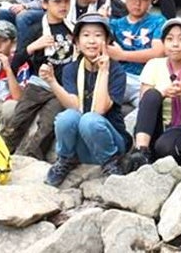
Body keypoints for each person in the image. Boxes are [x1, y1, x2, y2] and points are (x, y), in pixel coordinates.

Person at [42, 13, 130, 185]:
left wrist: (103, 71)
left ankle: (111, 164)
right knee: (66, 117)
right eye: (86, 35)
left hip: (110, 142)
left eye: (98, 35)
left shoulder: (116, 71)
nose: (91, 41)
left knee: (90, 120)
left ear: (107, 42)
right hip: (82, 145)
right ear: (76, 42)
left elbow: (99, 110)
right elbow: (74, 105)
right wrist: (52, 81)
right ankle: (65, 159)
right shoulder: (71, 69)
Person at [114, 17, 181, 174]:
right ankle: (141, 150)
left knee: (166, 149)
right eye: (169, 39)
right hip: (155, 128)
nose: (175, 44)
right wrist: (163, 93)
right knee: (153, 94)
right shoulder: (154, 65)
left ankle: (161, 154)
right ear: (163, 43)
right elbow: (145, 103)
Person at [5, 0, 75, 158]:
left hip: (61, 88)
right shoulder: (36, 29)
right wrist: (34, 45)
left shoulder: (73, 29)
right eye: (57, 1)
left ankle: (31, 159)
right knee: (18, 120)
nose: (63, 6)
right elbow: (16, 62)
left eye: (66, 1)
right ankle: (1, 153)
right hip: (38, 84)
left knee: (48, 125)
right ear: (45, 3)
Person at [109, 0, 166, 104]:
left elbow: (158, 53)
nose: (137, 3)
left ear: (151, 1)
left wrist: (122, 55)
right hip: (119, 77)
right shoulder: (114, 24)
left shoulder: (158, 21)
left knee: (147, 108)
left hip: (147, 79)